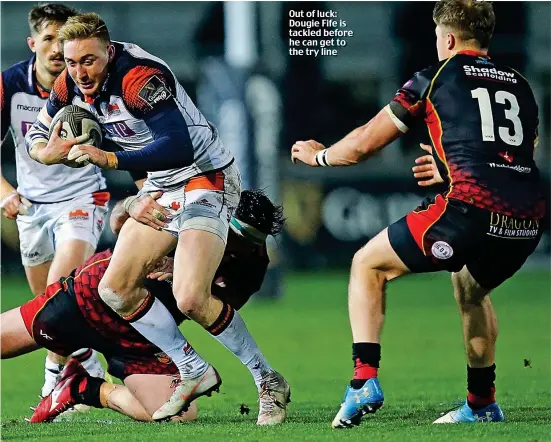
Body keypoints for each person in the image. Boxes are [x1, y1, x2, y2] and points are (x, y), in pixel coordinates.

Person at [25, 12, 290, 424]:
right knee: (115, 288)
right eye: (72, 62)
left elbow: (179, 147)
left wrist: (106, 157)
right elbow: (36, 137)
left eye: (90, 61)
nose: (80, 72)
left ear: (109, 52)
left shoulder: (139, 78)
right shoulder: (68, 85)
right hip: (161, 187)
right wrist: (47, 153)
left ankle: (267, 380)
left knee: (190, 296)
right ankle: (192, 368)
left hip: (206, 178)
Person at [291, 0, 545, 427]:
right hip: (527, 219)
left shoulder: (435, 77)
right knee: (471, 290)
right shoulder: (519, 83)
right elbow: (516, 152)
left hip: (469, 210)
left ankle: (362, 381)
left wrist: (319, 158)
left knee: (367, 265)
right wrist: (449, 168)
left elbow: (363, 146)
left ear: (447, 38)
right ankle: (482, 404)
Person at [1, 189, 285, 423]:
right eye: (236, 239)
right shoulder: (190, 209)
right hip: (90, 300)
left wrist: (190, 271)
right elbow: (118, 220)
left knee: (180, 416)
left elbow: (216, 314)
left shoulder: (252, 263)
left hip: (143, 334)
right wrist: (133, 204)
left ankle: (82, 388)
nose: (239, 249)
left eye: (249, 245)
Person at [0, 3, 107, 401]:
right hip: (31, 207)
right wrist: (6, 193)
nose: (57, 48)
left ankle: (51, 387)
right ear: (33, 43)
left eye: (63, 40)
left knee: (57, 296)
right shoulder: (10, 84)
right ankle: (90, 367)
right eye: (48, 39)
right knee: (49, 310)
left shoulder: (88, 82)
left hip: (82, 197)